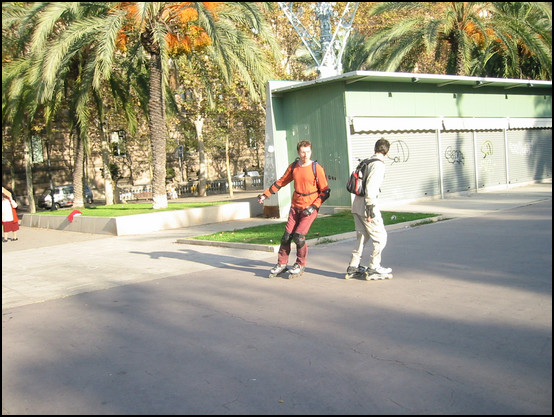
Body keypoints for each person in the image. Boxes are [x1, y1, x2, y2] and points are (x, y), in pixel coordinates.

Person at [258, 140, 330, 278]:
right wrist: (265, 195)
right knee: (286, 237)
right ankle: (282, 264)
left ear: (311, 151)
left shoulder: (317, 168)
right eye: (303, 152)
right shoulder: (294, 167)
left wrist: (314, 206)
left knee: (298, 237)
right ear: (298, 152)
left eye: (308, 151)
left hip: (309, 207)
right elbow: (281, 182)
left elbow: (325, 192)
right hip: (295, 206)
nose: (305, 155)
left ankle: (300, 264)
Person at [345, 138, 392, 280]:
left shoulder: (366, 162)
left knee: (362, 237)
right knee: (381, 237)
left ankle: (353, 266)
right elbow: (371, 189)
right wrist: (371, 211)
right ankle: (374, 267)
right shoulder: (378, 165)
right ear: (387, 152)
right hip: (367, 207)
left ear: (375, 149)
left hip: (357, 205)